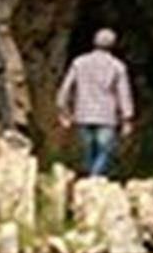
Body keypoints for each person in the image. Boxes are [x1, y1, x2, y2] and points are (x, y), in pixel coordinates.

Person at [56, 27, 135, 178]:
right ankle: (95, 178)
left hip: (83, 114)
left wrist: (63, 110)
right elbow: (124, 94)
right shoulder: (117, 66)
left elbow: (65, 88)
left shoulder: (79, 63)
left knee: (88, 150)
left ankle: (90, 178)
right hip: (106, 116)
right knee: (104, 150)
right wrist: (127, 118)